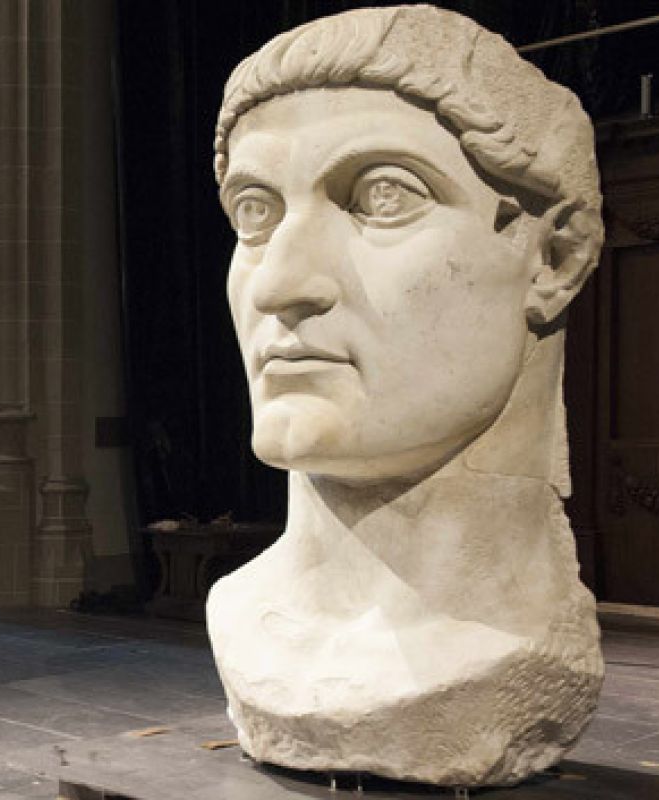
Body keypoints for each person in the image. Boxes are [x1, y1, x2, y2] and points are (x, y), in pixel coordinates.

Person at [206, 6, 604, 786]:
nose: (282, 284)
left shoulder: (509, 654)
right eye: (253, 211)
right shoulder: (239, 616)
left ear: (553, 258)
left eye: (382, 196)